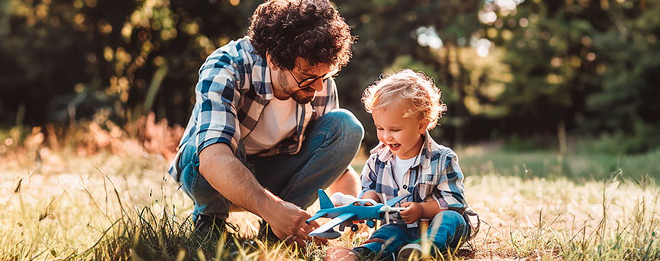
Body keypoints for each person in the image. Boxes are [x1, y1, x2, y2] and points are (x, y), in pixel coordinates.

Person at [167, 0, 364, 245]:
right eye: (307, 78)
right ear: (274, 60)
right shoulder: (226, 66)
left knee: (347, 127)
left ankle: (282, 228)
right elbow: (213, 158)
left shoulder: (318, 81)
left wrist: (355, 207)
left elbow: (334, 164)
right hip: (212, 175)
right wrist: (272, 208)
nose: (319, 86)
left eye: (325, 76)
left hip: (272, 176)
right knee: (214, 143)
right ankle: (211, 220)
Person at [326, 69, 477, 260]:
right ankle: (361, 254)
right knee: (387, 234)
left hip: (435, 225)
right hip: (400, 227)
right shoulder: (377, 159)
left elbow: (453, 203)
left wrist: (421, 210)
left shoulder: (442, 159)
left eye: (395, 129)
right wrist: (368, 202)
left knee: (451, 220)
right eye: (380, 128)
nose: (386, 136)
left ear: (421, 125)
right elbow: (369, 189)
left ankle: (425, 249)